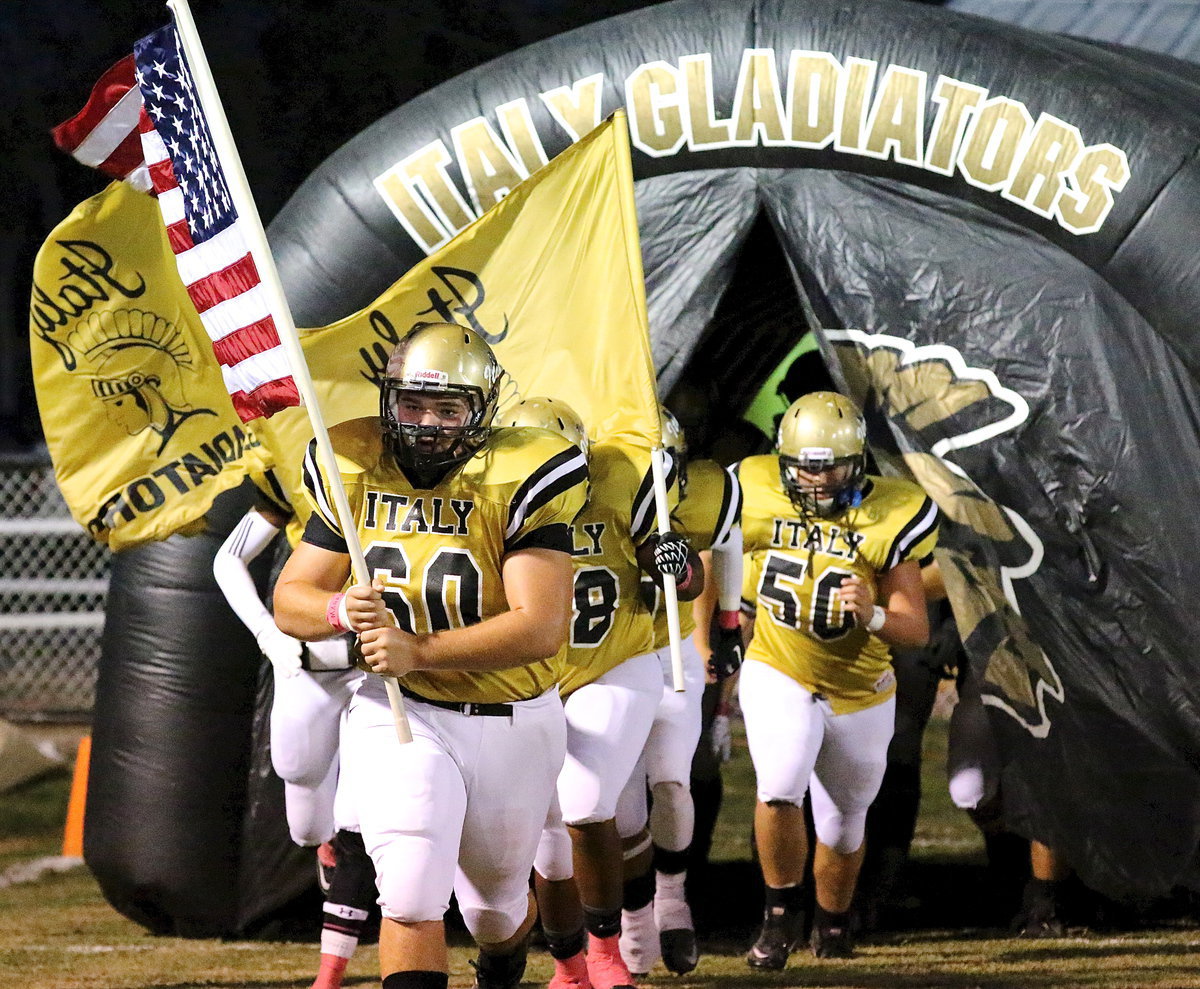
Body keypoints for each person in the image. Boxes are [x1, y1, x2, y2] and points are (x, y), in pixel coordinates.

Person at [272, 323, 590, 989]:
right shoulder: (355, 463)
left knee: (495, 907)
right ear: (389, 398)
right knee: (412, 890)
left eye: (448, 408)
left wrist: (418, 648)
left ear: (483, 410)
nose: (425, 423)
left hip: (512, 714)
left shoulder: (521, 472)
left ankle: (502, 961)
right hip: (402, 712)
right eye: (412, 403)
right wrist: (339, 610)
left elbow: (540, 626)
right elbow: (291, 596)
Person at [502, 397, 702, 989]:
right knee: (547, 843)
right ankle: (569, 967)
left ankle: (608, 948)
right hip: (529, 681)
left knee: (587, 806)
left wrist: (676, 561)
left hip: (613, 662)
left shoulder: (619, 486)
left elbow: (684, 583)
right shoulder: (492, 506)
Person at [735, 391, 939, 968]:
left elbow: (915, 628)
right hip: (779, 666)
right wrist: (720, 618)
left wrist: (871, 612)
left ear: (858, 461)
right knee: (778, 784)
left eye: (829, 465)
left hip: (859, 687)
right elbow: (707, 535)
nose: (815, 478)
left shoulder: (891, 513)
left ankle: (832, 923)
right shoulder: (753, 490)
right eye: (804, 464)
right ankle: (778, 917)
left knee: (844, 825)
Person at [213, 480, 374, 989]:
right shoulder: (298, 469)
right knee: (307, 819)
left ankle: (330, 972)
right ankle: (326, 844)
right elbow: (227, 561)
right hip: (308, 667)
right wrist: (266, 633)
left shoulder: (419, 470)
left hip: (380, 669)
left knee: (359, 821)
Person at [613, 408, 742, 978]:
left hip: (668, 657)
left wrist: (730, 621)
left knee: (671, 780)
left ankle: (672, 899)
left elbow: (729, 543)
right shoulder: (589, 499)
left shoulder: (707, 493)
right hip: (607, 658)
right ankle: (633, 919)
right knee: (617, 806)